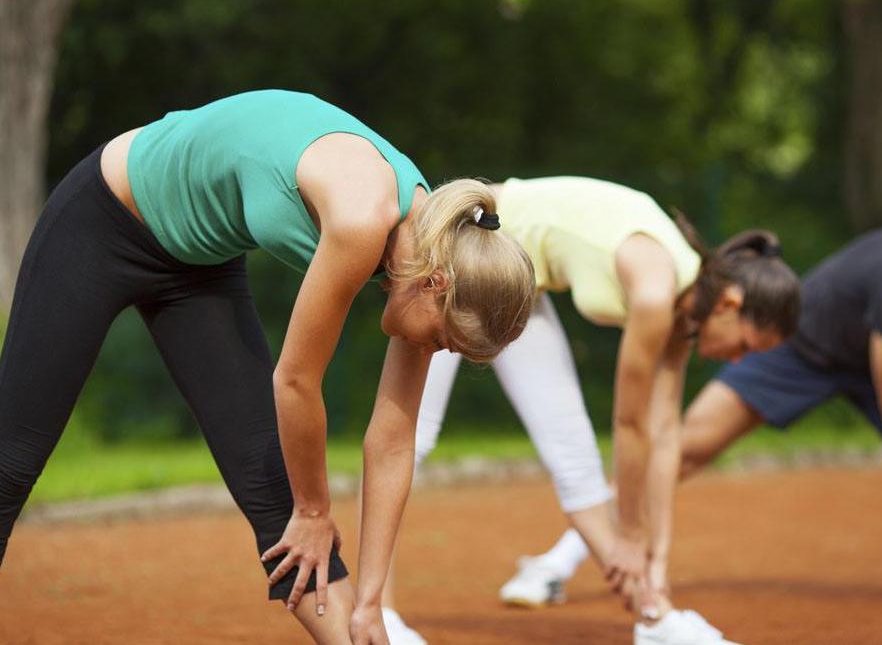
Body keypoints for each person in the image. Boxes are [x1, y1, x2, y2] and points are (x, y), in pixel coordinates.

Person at [0, 90, 536, 644]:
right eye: (446, 340)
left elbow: (394, 438)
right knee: (10, 462)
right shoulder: (363, 221)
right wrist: (314, 508)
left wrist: (373, 603)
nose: (438, 351)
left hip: (198, 266)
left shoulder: (430, 248)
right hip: (104, 219)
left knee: (276, 498)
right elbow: (296, 380)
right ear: (437, 285)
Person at [380, 176, 800, 645]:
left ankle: (656, 616)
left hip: (522, 284)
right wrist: (631, 535)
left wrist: (655, 556)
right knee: (411, 438)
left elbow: (664, 437)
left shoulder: (685, 315)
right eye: (745, 344)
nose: (739, 360)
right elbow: (631, 423)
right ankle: (378, 615)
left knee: (575, 460)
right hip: (465, 257)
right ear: (728, 303)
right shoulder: (657, 292)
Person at [497, 229, 882, 641]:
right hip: (797, 347)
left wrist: (658, 557)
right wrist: (637, 541)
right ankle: (557, 562)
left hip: (811, 341)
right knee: (688, 448)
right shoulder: (676, 304)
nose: (732, 361)